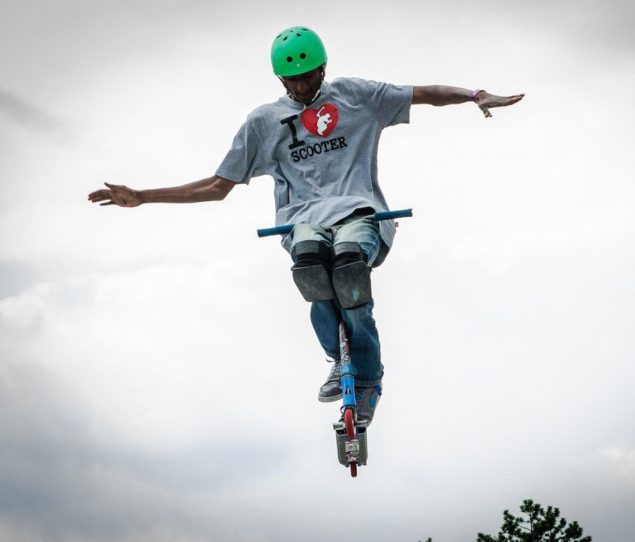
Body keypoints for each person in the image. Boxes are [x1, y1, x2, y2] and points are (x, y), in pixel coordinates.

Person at [88, 26, 524, 425]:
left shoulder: (357, 96)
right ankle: (338, 358)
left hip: (360, 212)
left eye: (309, 77)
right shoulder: (262, 122)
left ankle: (369, 378)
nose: (302, 88)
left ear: (323, 68)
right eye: (292, 81)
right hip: (301, 222)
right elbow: (219, 186)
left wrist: (474, 95)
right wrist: (143, 196)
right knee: (312, 262)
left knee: (349, 263)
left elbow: (423, 94)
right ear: (279, 79)